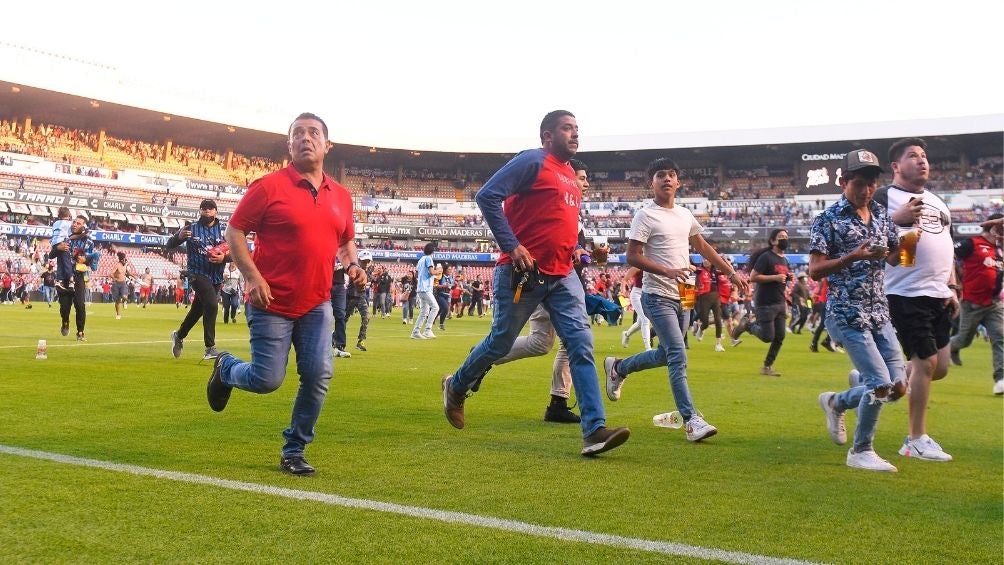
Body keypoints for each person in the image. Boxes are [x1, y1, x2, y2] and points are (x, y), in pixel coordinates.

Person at [441, 110, 630, 456]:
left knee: (581, 345)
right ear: (547, 135)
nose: (574, 134)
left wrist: (577, 252)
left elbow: (560, 227)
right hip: (521, 274)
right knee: (500, 342)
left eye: (577, 129)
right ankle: (457, 384)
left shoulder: (572, 177)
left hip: (562, 275)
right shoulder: (532, 160)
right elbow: (487, 196)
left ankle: (594, 430)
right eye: (566, 128)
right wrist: (511, 246)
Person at [208, 112, 365, 476]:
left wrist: (352, 264)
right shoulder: (267, 187)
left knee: (318, 375)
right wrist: (252, 277)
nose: (305, 138)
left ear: (327, 145)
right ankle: (227, 367)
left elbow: (346, 239)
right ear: (289, 144)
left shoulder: (341, 196)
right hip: (271, 302)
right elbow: (235, 233)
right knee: (267, 380)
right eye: (298, 133)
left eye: (313, 133)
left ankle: (294, 448)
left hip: (316, 303)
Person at [602, 157, 749, 442]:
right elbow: (632, 256)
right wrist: (667, 270)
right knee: (678, 357)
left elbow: (703, 246)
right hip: (657, 295)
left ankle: (619, 367)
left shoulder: (684, 215)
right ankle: (691, 420)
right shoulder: (645, 215)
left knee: (667, 354)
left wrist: (731, 273)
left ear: (678, 182)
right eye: (660, 175)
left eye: (671, 175)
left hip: (684, 295)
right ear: (651, 182)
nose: (667, 179)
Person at [809, 148, 907, 472]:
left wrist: (910, 244)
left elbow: (894, 258)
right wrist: (853, 256)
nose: (866, 189)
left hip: (879, 311)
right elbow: (815, 269)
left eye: (872, 182)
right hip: (846, 313)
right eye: (859, 182)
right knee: (880, 385)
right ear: (844, 181)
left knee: (899, 388)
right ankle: (860, 451)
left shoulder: (881, 214)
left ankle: (837, 401)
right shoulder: (827, 219)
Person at [480, 157, 594, 424]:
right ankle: (562, 403)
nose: (586, 184)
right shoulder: (553, 206)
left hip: (562, 283)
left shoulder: (574, 217)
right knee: (575, 340)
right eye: (581, 178)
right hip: (545, 281)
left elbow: (574, 254)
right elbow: (488, 197)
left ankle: (482, 358)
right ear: (565, 179)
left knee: (541, 343)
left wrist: (591, 254)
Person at [876, 137, 958, 462]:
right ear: (896, 166)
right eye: (913, 156)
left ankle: (884, 379)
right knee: (926, 363)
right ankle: (915, 439)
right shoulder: (886, 197)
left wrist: (951, 287)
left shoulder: (938, 201)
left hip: (938, 293)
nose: (922, 160)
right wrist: (900, 220)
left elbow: (945, 246)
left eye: (924, 156)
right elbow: (895, 255)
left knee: (941, 369)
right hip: (905, 293)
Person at [168, 200, 228, 361]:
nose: (207, 211)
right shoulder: (190, 228)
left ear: (216, 211)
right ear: (200, 211)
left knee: (197, 311)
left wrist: (224, 258)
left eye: (210, 208)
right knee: (212, 304)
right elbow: (169, 244)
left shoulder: (224, 230)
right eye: (204, 208)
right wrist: (178, 237)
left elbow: (235, 251)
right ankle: (210, 347)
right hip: (197, 273)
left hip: (216, 276)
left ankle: (179, 335)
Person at [949, 214, 1002, 395]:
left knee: (1000, 338)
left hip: (994, 303)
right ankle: (947, 349)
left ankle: (1001, 379)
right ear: (992, 228)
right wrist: (953, 284)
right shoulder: (972, 243)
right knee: (964, 340)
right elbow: (949, 254)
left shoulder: (1000, 249)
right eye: (1000, 228)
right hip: (972, 303)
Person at [731, 228, 792, 376]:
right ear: (772, 241)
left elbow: (782, 275)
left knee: (780, 336)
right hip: (765, 302)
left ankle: (767, 367)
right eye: (781, 237)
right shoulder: (766, 257)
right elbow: (753, 276)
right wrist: (776, 278)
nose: (784, 239)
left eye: (786, 236)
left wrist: (787, 277)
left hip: (779, 302)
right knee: (767, 337)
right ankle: (748, 325)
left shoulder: (784, 259)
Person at [49, 215, 95, 340]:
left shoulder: (89, 241)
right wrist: (58, 248)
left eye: (78, 223)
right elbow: (51, 255)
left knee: (80, 305)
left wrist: (84, 259)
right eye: (74, 222)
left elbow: (91, 260)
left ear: (83, 226)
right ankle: (65, 321)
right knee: (64, 307)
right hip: (63, 276)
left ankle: (80, 332)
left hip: (78, 276)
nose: (74, 224)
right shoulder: (64, 237)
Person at [620, 266, 652, 351]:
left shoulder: (652, 264)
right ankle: (648, 348)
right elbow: (625, 279)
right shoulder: (638, 266)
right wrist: (623, 290)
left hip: (647, 294)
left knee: (639, 322)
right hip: (636, 294)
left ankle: (626, 334)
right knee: (645, 320)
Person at [411, 242, 439, 339]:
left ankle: (416, 331)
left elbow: (416, 275)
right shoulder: (428, 258)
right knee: (435, 307)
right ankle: (428, 330)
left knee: (424, 311)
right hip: (426, 288)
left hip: (420, 288)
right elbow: (431, 272)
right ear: (433, 251)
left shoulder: (421, 260)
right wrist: (438, 271)